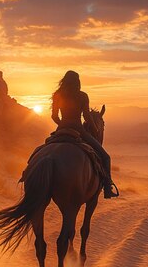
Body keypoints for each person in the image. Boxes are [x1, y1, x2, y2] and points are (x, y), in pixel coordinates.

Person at [51, 70, 119, 199]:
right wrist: (95, 129)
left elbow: (54, 116)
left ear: (64, 81)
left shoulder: (57, 95)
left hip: (61, 129)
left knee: (41, 149)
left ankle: (27, 175)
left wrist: (62, 124)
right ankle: (107, 187)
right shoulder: (82, 96)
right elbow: (87, 117)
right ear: (78, 82)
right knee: (105, 157)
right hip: (79, 129)